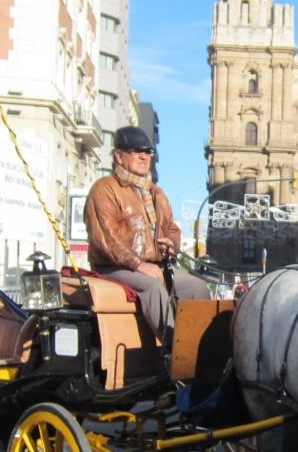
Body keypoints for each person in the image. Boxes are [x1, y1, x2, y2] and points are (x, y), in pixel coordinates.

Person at [83, 126, 209, 346]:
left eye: (148, 152)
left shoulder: (156, 193)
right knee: (153, 287)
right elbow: (106, 238)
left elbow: (171, 228)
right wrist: (139, 265)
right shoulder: (104, 189)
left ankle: (201, 348)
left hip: (155, 267)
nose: (144, 156)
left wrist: (172, 243)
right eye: (136, 151)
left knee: (196, 287)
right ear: (119, 156)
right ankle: (172, 348)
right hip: (115, 267)